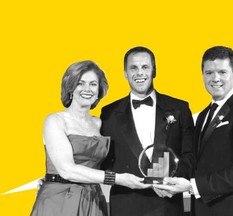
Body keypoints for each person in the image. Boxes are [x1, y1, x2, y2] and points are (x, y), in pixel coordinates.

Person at [154, 46, 233, 216]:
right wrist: (166, 179)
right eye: (209, 73)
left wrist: (192, 186)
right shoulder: (203, 115)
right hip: (203, 210)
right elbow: (197, 162)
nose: (215, 78)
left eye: (222, 72)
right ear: (202, 75)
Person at [31, 60, 149, 216]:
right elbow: (67, 170)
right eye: (80, 83)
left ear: (99, 90)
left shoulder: (100, 123)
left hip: (93, 200)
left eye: (93, 84)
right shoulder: (55, 120)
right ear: (70, 87)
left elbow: (115, 160)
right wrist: (118, 179)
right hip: (59, 201)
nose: (87, 89)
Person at [100, 46, 194, 216]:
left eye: (145, 67)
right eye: (133, 68)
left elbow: (190, 154)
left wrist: (170, 182)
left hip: (168, 203)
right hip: (125, 204)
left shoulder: (180, 108)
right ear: (125, 73)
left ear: (154, 70)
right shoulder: (108, 113)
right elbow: (101, 158)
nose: (139, 73)